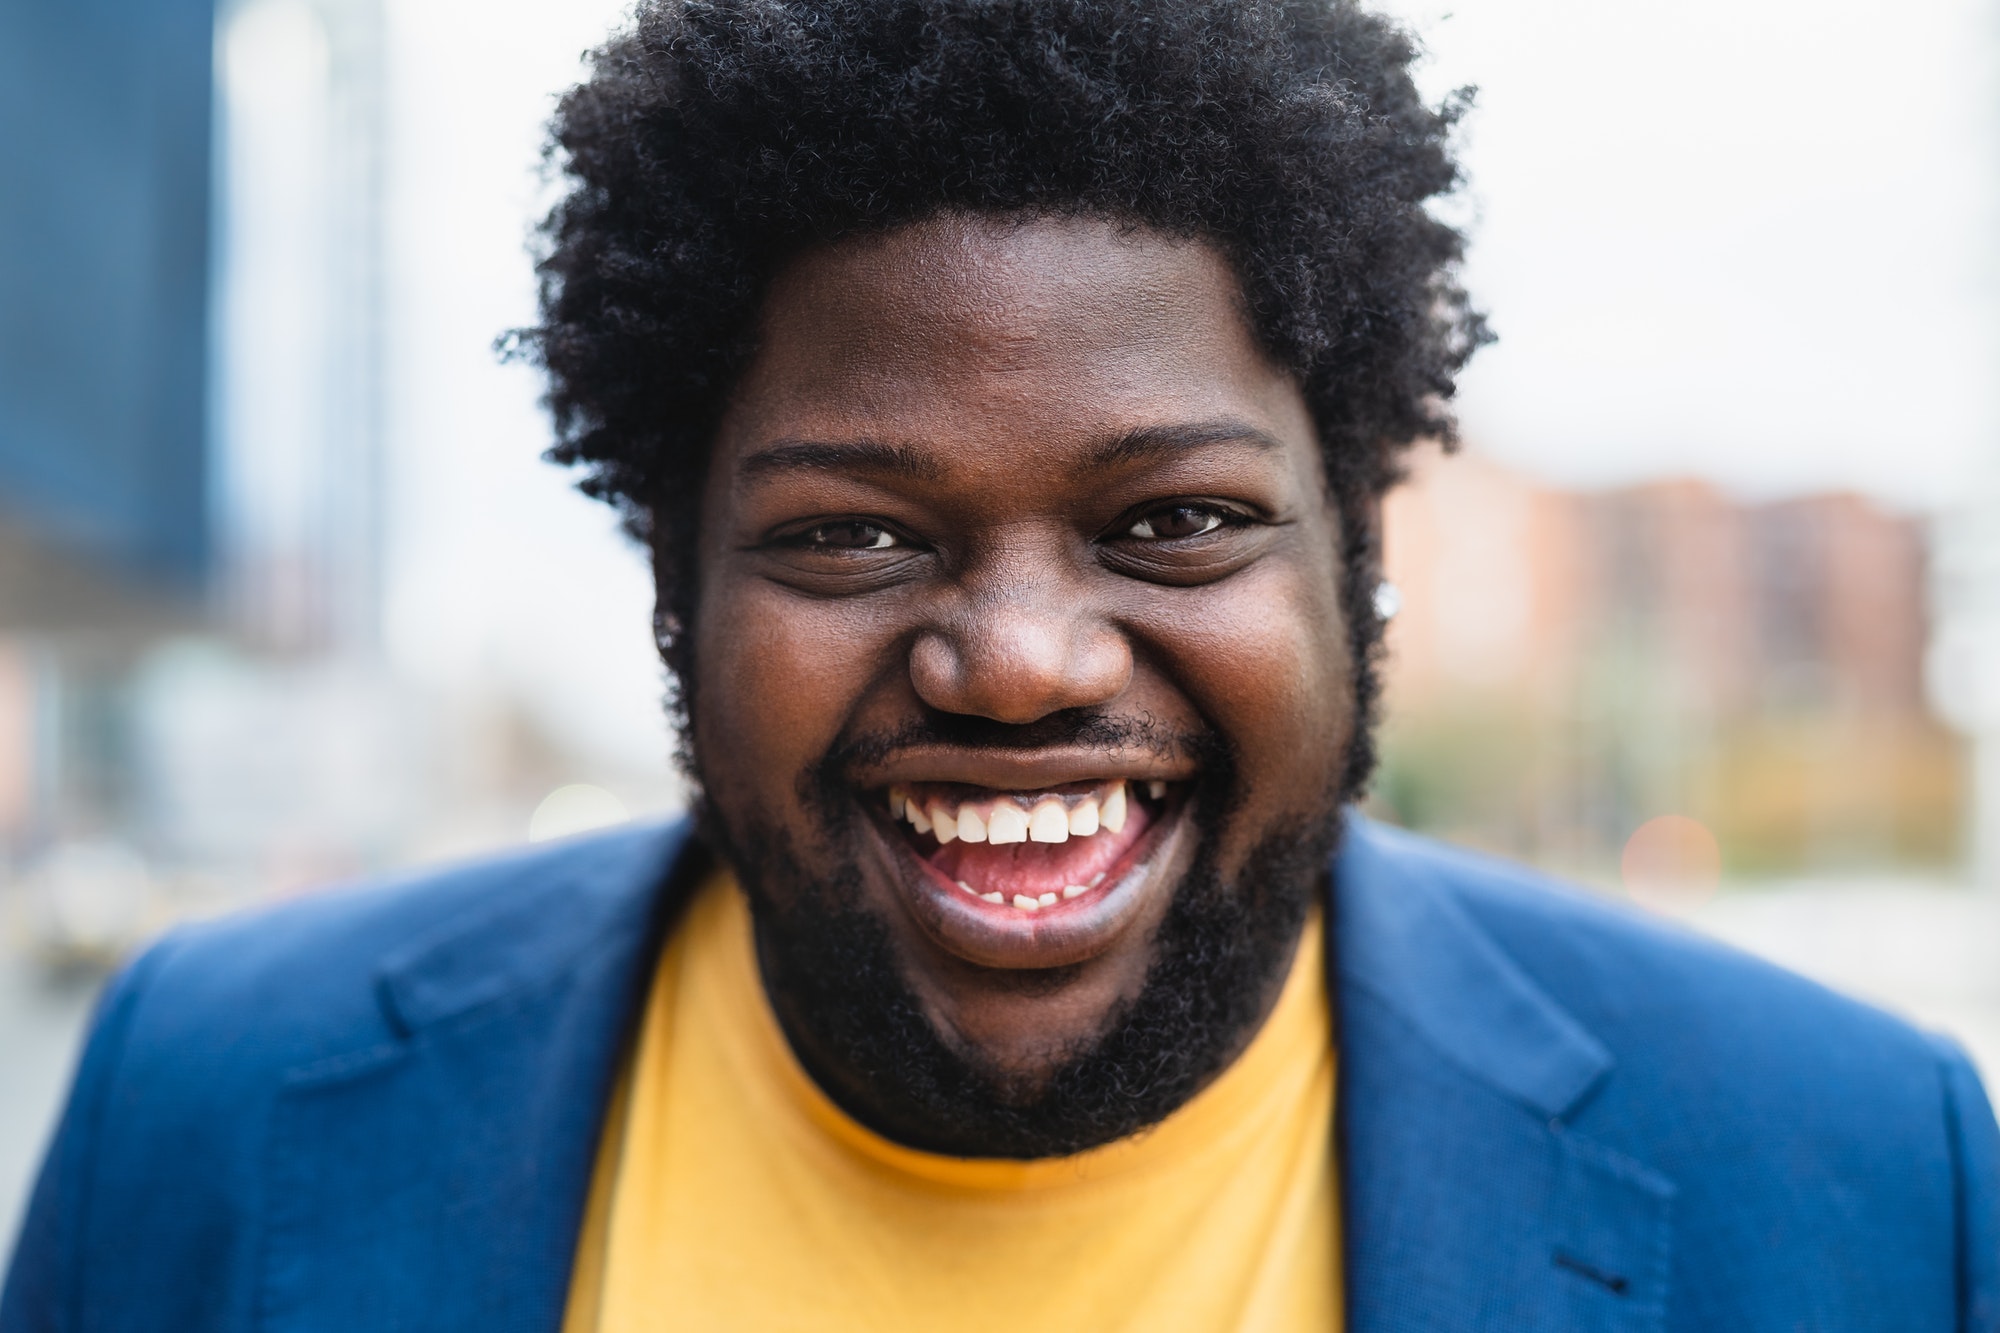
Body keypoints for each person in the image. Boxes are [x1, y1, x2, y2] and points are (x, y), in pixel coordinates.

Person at [5, 0, 1996, 1327]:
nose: (1023, 662)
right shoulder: (214, 1097)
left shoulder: (1844, 1181)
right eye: (852, 534)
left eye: (1174, 521)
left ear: (1355, 563)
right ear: (675, 601)